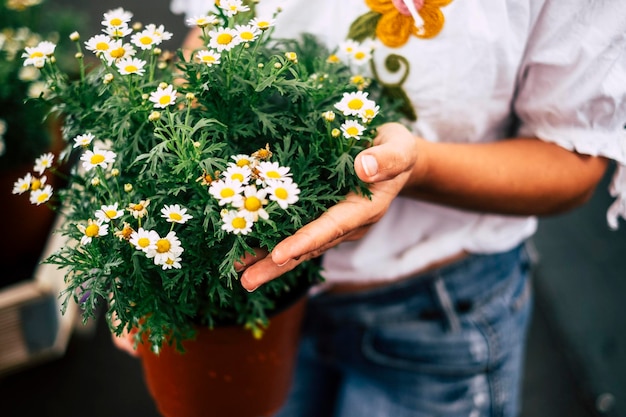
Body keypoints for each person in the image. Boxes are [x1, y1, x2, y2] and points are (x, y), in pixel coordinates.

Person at [152, 1, 626, 416]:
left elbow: (574, 161)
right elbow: (212, 39)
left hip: (436, 317)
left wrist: (415, 167)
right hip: (258, 297)